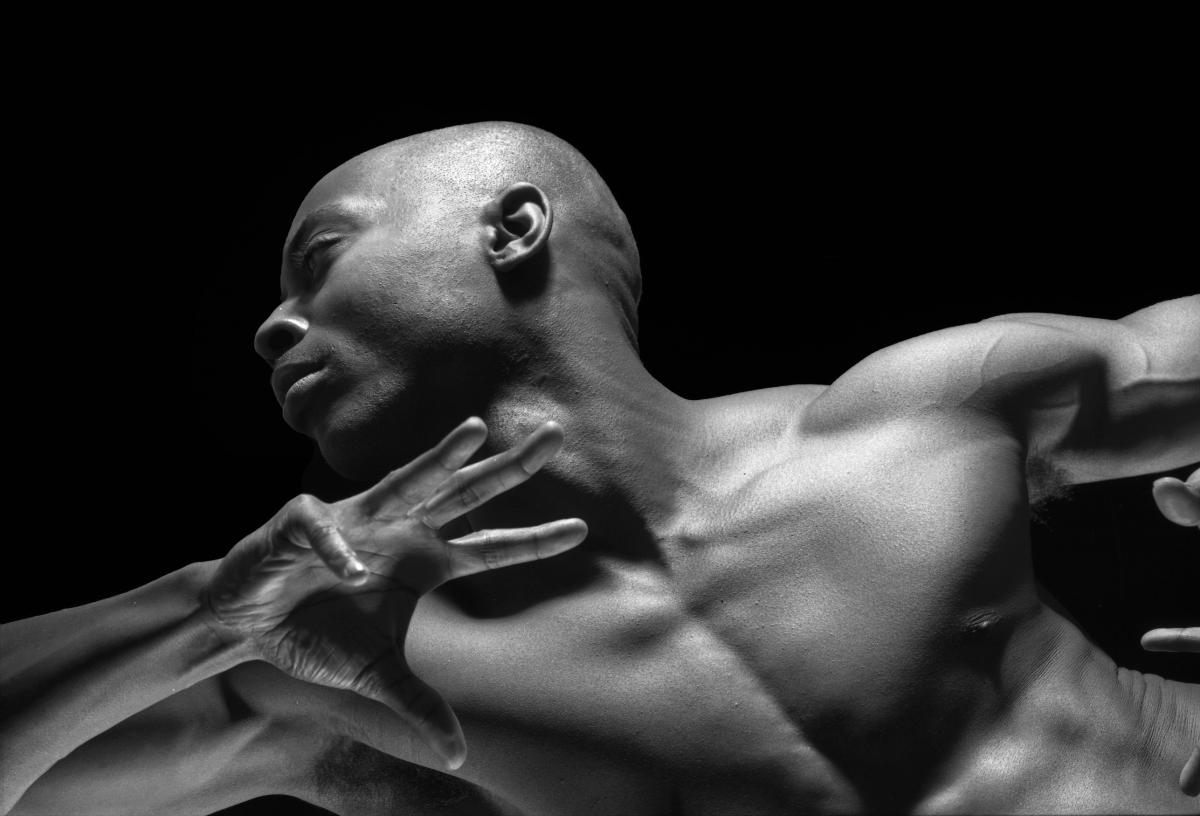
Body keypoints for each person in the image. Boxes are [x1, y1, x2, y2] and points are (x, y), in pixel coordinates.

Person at [2, 121, 1197, 814]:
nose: (271, 326)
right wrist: (199, 614)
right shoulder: (350, 669)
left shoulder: (916, 424)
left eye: (320, 260)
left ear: (513, 230)